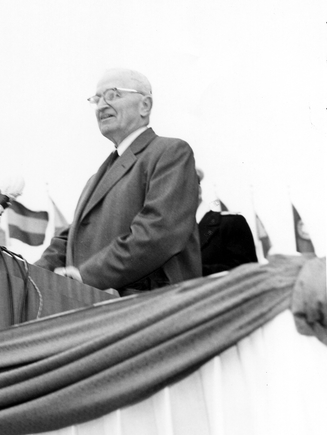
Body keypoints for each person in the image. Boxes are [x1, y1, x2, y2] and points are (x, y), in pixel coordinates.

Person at [36, 68, 201, 295]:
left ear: (145, 105)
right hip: (94, 307)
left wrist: (87, 277)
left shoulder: (169, 153)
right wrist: (28, 276)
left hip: (149, 308)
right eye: (97, 99)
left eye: (113, 95)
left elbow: (158, 233)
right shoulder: (95, 179)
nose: (102, 105)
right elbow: (69, 240)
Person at [196, 169, 257, 275]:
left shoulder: (231, 224)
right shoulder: (169, 235)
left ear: (197, 190)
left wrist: (190, 272)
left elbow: (247, 274)